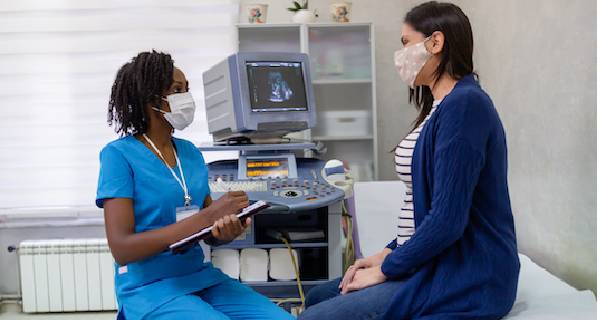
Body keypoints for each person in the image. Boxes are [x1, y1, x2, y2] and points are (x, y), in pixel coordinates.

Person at [299, 2, 520, 319]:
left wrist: (386, 269)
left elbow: (447, 220)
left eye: (406, 43)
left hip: (466, 272)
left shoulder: (466, 105)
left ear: (435, 42)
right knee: (318, 296)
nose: (400, 55)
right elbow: (423, 210)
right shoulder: (439, 107)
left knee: (314, 316)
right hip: (426, 258)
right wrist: (387, 253)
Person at [96, 51, 294, 320]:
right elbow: (122, 248)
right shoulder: (118, 155)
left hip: (201, 278)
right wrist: (207, 217)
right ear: (151, 98)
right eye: (178, 90)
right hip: (149, 288)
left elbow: (210, 231)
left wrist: (225, 230)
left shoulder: (190, 153)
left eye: (187, 89)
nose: (187, 97)